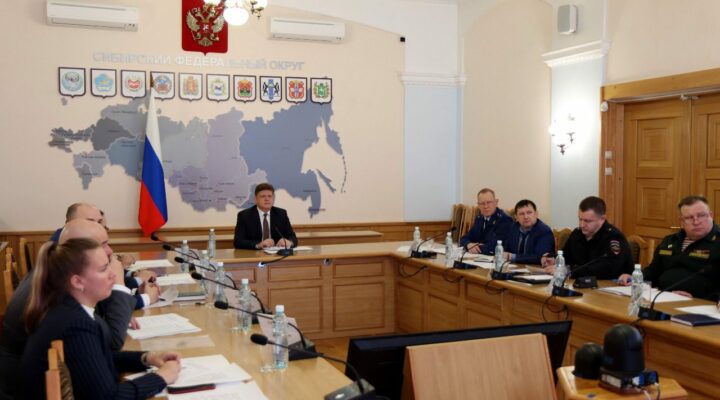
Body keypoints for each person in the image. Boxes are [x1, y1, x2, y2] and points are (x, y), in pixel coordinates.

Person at [0, 219, 145, 399]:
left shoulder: (60, 291)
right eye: (102, 245)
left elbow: (96, 354)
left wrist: (145, 358)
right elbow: (112, 344)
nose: (110, 252)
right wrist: (161, 377)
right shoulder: (71, 317)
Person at [20, 238, 180, 399]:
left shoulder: (67, 308)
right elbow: (108, 397)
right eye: (103, 269)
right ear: (78, 282)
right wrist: (161, 377)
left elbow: (99, 358)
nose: (113, 274)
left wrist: (147, 358)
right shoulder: (76, 325)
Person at [618, 196, 720, 301]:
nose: (696, 222)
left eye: (701, 215)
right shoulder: (670, 241)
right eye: (689, 218)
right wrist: (634, 278)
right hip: (662, 297)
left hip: (701, 303)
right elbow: (654, 270)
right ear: (681, 221)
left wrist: (697, 297)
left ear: (711, 215)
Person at [543, 196, 633, 280]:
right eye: (580, 219)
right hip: (583, 284)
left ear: (602, 219)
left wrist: (571, 272)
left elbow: (608, 269)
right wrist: (553, 259)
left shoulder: (614, 237)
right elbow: (566, 257)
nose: (582, 225)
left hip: (610, 286)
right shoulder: (577, 234)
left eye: (587, 221)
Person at [234, 183, 298, 250]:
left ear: (273, 198)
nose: (267, 199)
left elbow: (292, 237)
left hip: (276, 253)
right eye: (263, 196)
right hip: (254, 253)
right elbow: (238, 242)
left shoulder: (281, 214)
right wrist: (258, 245)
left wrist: (289, 242)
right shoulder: (244, 216)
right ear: (256, 199)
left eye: (269, 196)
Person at [459, 188, 513, 254]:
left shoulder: (504, 220)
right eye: (482, 203)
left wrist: (475, 247)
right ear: (478, 205)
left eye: (489, 202)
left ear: (496, 202)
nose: (485, 206)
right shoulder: (479, 219)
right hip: (478, 257)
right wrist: (468, 245)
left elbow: (495, 247)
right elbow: (464, 239)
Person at [500, 199, 555, 265]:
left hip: (535, 269)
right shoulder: (513, 228)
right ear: (516, 217)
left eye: (529, 213)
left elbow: (540, 257)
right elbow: (506, 250)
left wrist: (512, 257)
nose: (526, 217)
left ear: (536, 214)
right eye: (521, 214)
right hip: (513, 267)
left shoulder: (544, 231)